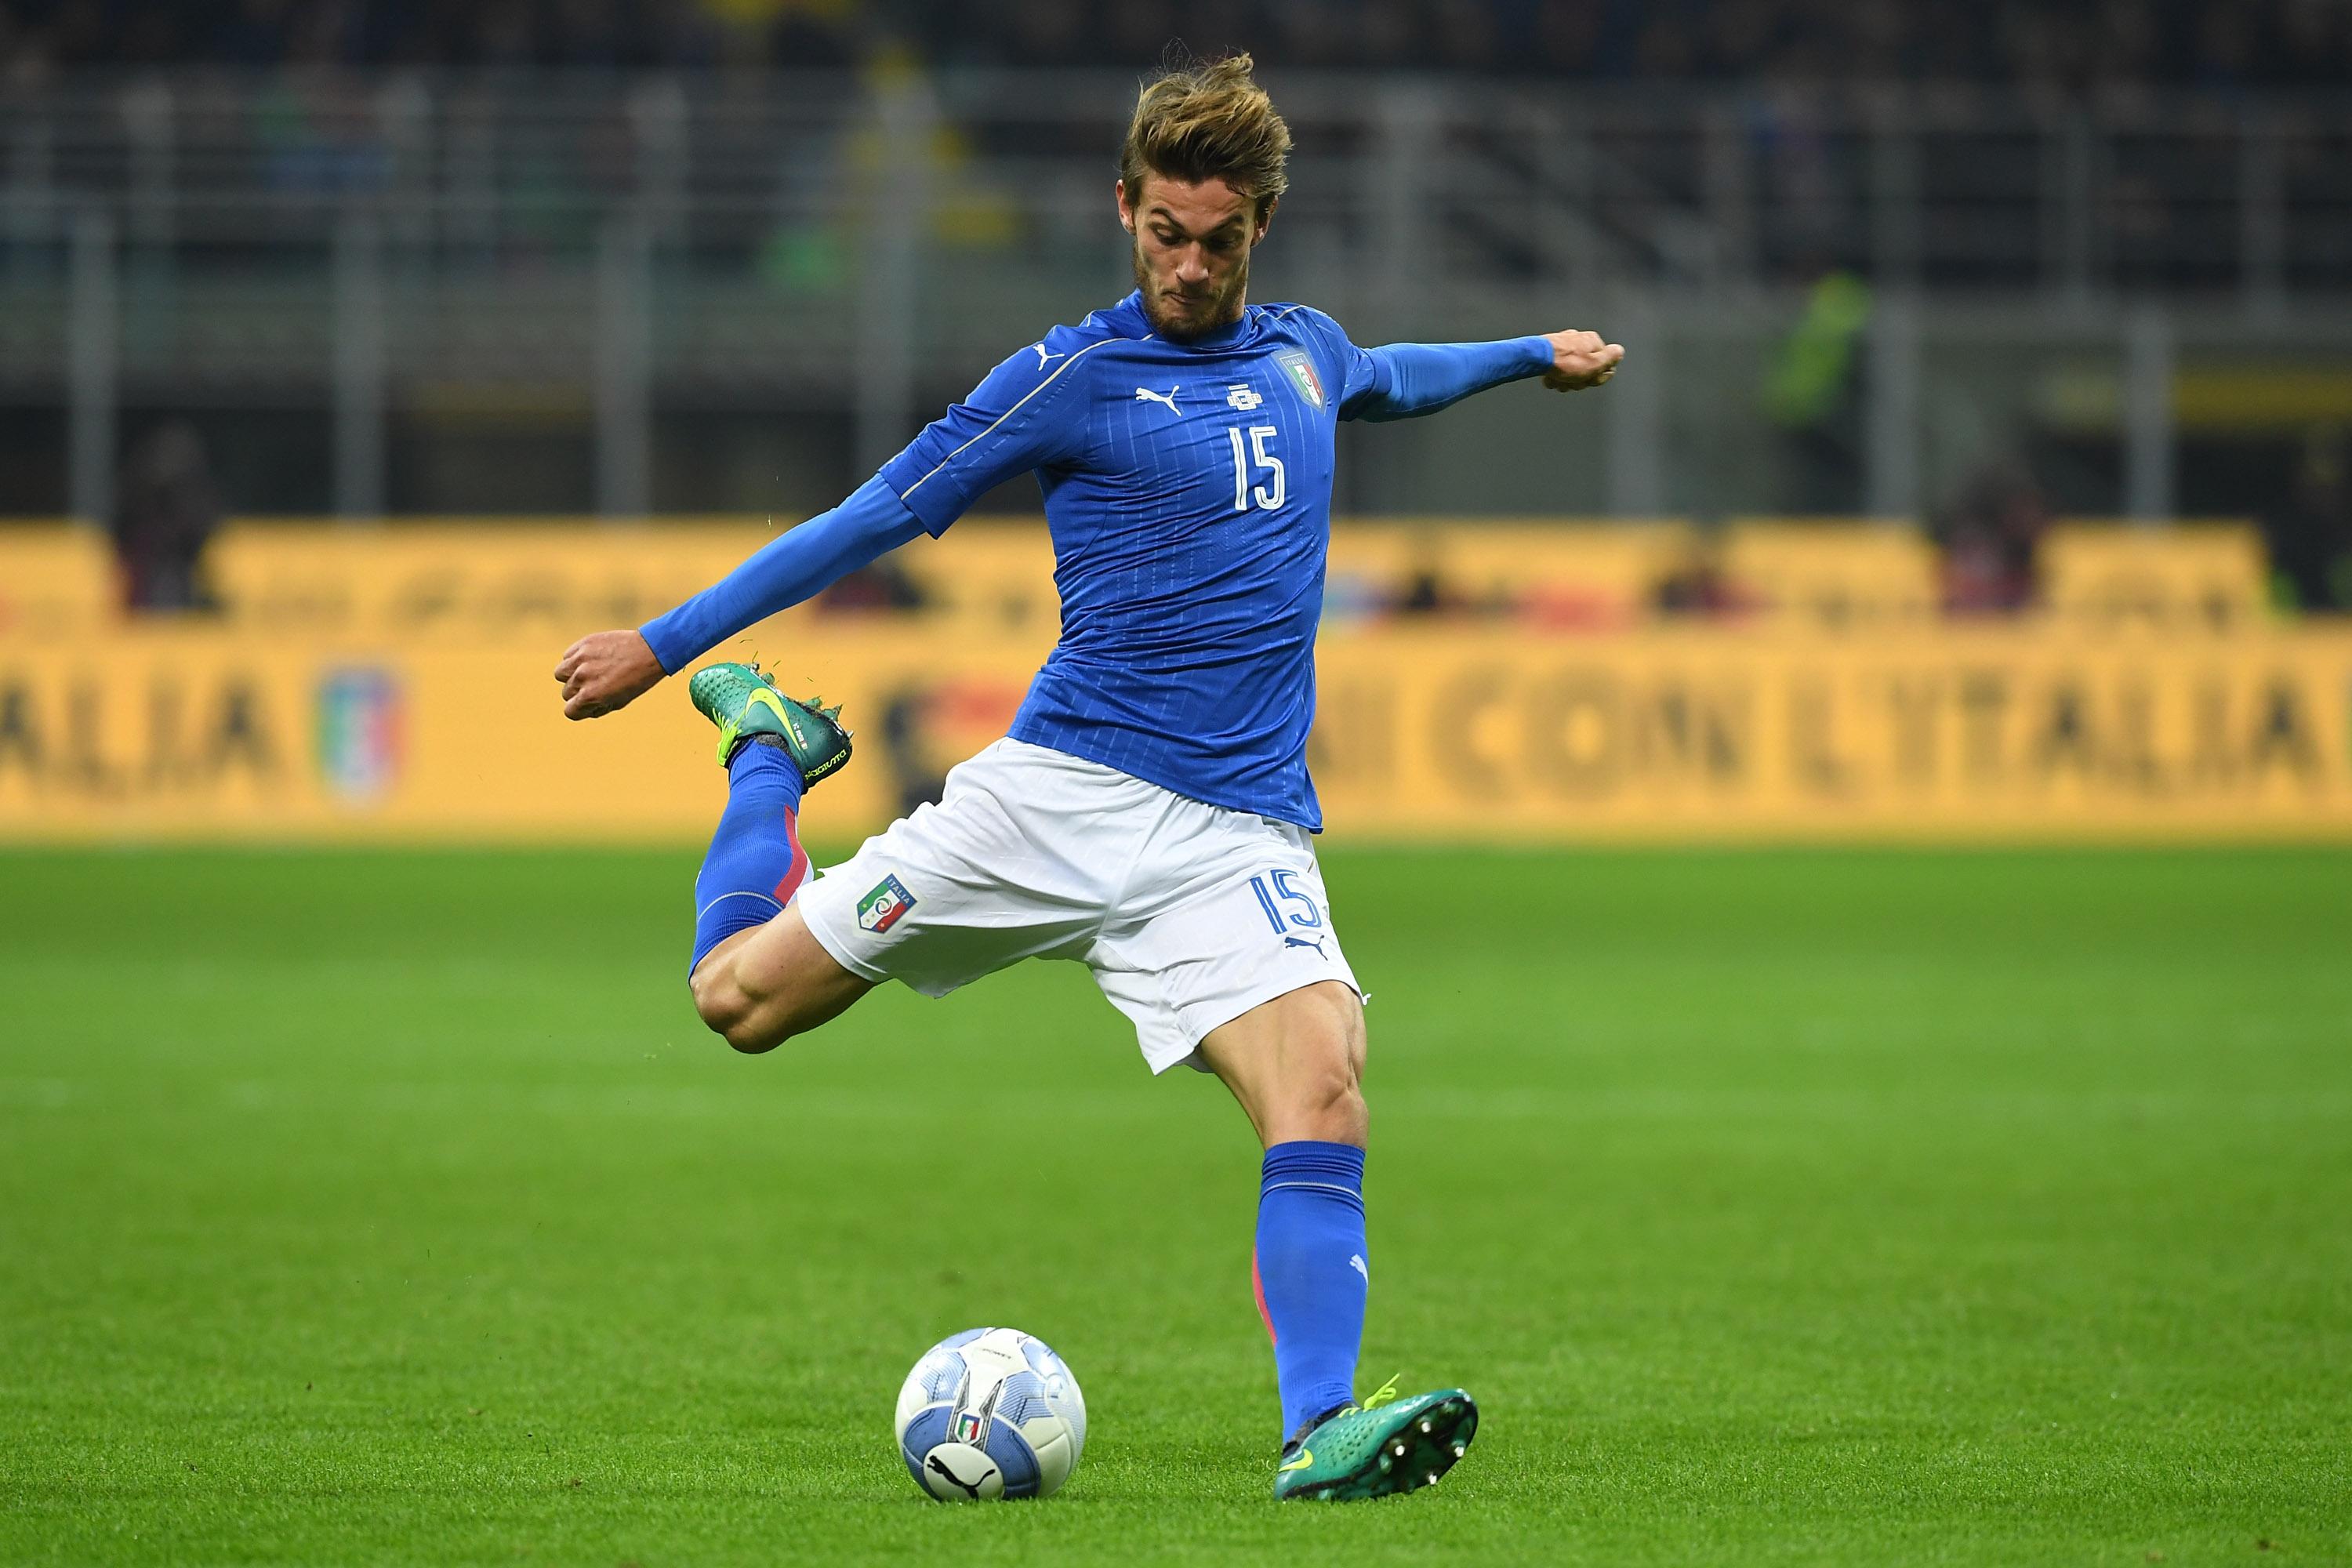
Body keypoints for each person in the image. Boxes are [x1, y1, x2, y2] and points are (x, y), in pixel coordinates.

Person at [554, 52, 1621, 1503]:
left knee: (1322, 1086)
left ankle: (1318, 1431)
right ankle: (768, 753)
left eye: (1219, 241)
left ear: (1261, 228)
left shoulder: (1306, 353)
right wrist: (667, 644)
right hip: (1052, 802)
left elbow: (1394, 378)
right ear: (1125, 209)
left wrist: (1528, 353)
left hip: (1235, 832)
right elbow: (870, 517)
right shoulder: (1070, 376)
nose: (1188, 266)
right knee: (736, 1003)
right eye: (1165, 233)